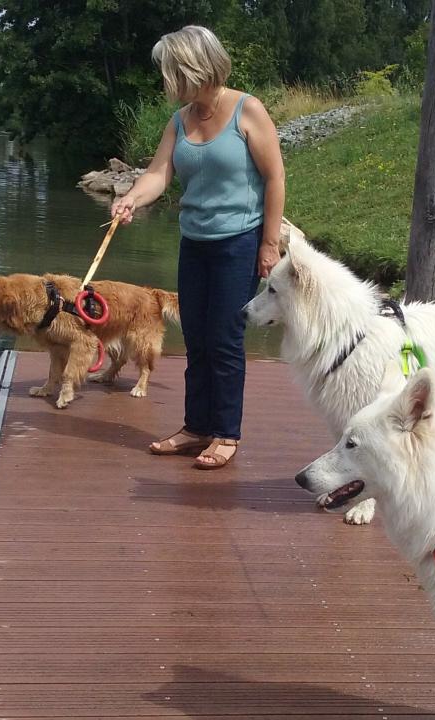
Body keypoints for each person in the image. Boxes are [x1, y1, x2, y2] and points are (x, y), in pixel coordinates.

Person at [111, 25, 285, 470]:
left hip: (239, 243)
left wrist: (268, 244)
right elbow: (158, 174)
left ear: (196, 68)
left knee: (225, 340)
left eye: (173, 72)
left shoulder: (248, 110)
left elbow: (274, 178)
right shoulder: (180, 119)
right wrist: (131, 197)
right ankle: (195, 427)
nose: (168, 81)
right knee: (196, 339)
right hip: (195, 243)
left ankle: (226, 432)